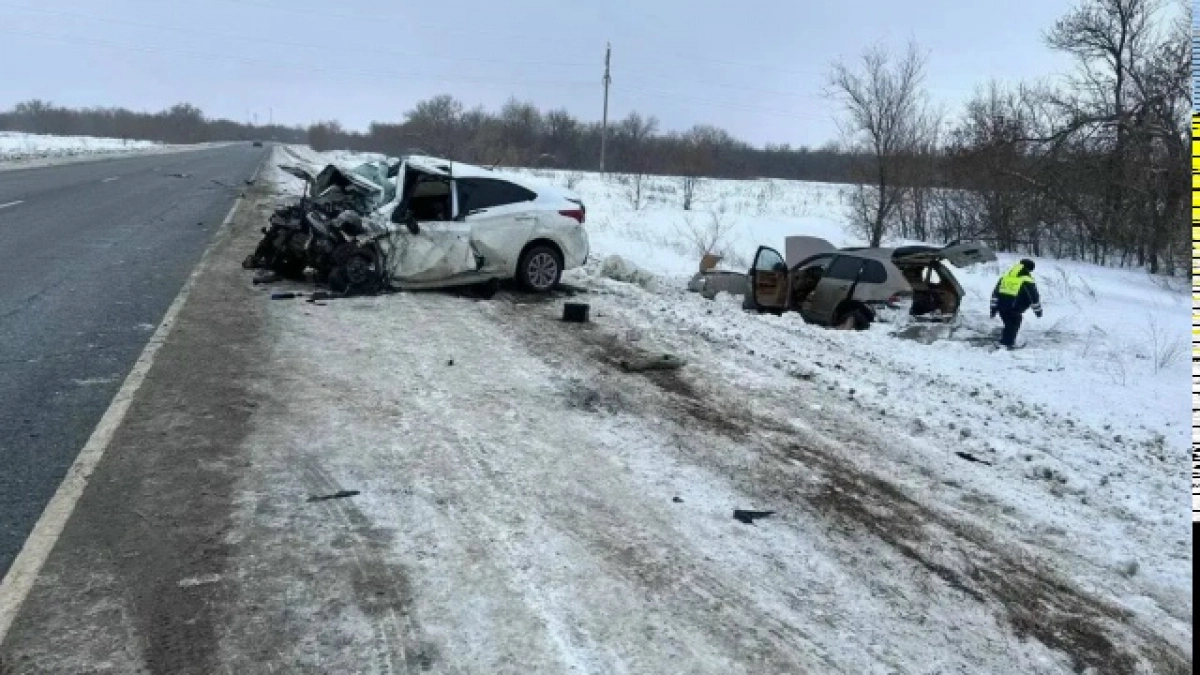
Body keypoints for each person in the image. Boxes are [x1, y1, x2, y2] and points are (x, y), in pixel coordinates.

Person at [990, 259, 1042, 350]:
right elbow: (1033, 297)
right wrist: (1038, 312)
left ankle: (1006, 339)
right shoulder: (1027, 280)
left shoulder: (1005, 277)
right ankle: (1006, 344)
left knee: (1009, 324)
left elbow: (995, 294)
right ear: (1029, 269)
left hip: (1001, 308)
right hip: (1014, 309)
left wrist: (993, 309)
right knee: (1013, 324)